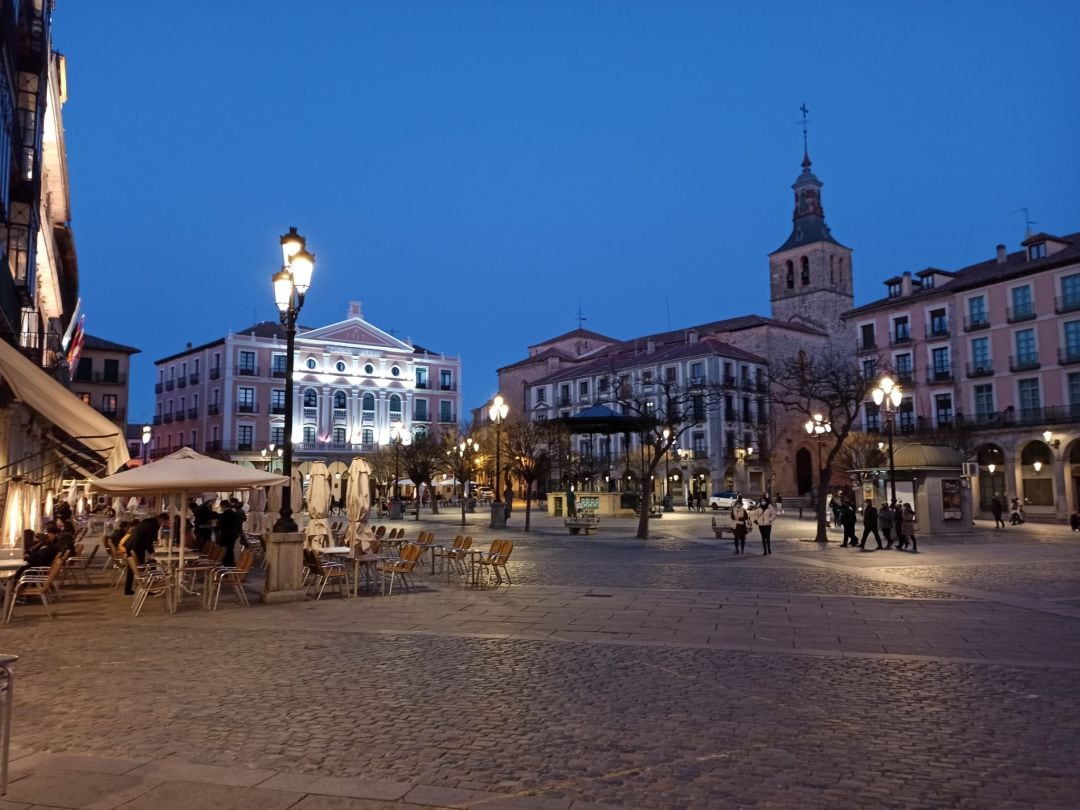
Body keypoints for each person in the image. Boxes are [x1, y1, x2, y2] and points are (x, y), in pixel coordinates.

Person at [124, 513, 167, 595]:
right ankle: (145, 588)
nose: (164, 523)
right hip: (137, 547)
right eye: (164, 521)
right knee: (143, 567)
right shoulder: (153, 525)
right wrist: (152, 553)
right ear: (161, 519)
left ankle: (129, 589)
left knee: (132, 569)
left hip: (130, 544)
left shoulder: (146, 522)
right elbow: (149, 541)